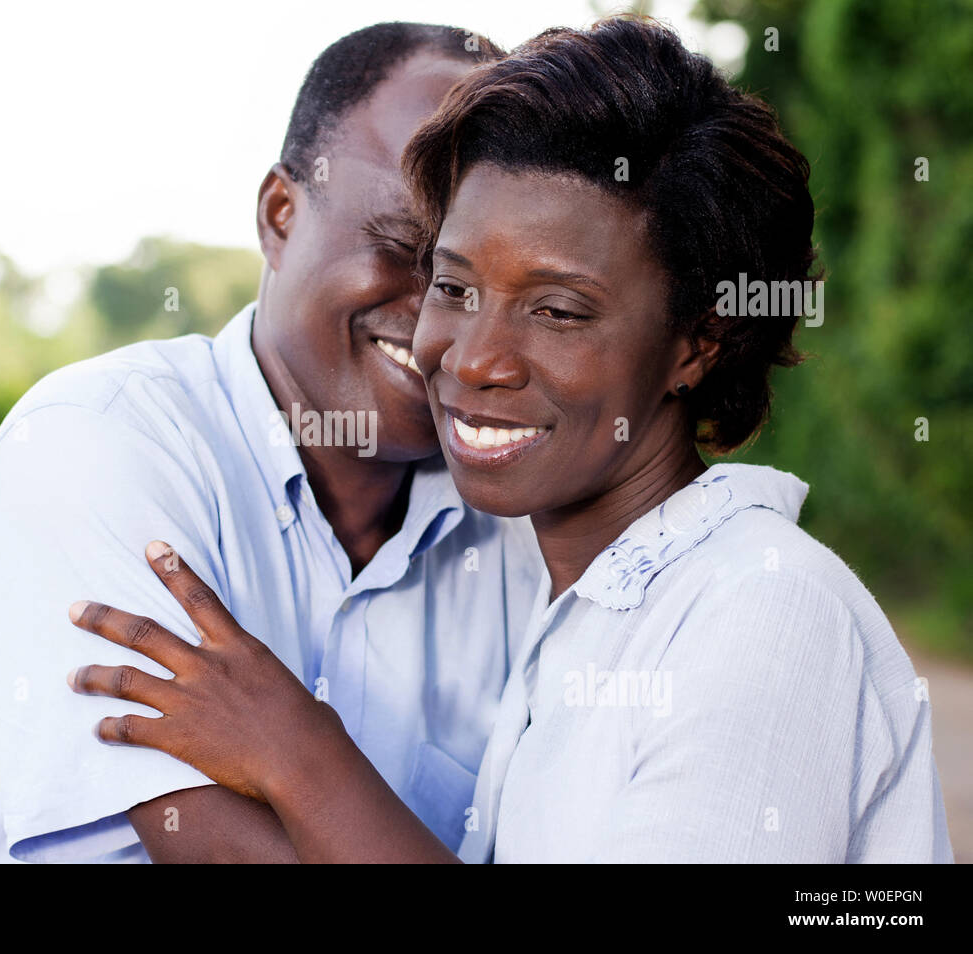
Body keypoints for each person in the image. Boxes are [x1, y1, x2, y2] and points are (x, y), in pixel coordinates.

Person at [65, 16, 954, 863]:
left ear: (697, 342)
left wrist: (299, 756)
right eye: (453, 289)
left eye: (558, 311)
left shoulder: (761, 611)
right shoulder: (574, 612)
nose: (473, 358)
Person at [0, 22, 542, 863]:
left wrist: (299, 756)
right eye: (401, 249)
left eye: (475, 283)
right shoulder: (97, 451)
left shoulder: (518, 529)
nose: (439, 323)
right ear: (279, 215)